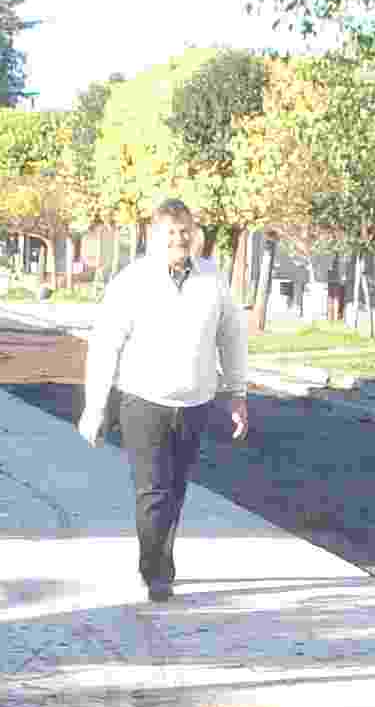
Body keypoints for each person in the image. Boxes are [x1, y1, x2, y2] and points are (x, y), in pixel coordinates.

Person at [79, 197, 248, 602]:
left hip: (195, 403)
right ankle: (154, 568)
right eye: (171, 232)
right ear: (154, 236)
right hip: (143, 401)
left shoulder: (213, 280)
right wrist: (95, 406)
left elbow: (231, 337)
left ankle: (161, 562)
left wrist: (237, 393)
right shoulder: (132, 282)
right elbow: (105, 345)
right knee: (152, 489)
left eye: (185, 230)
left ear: (194, 233)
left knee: (176, 488)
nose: (179, 238)